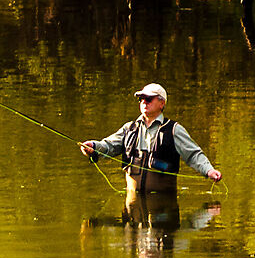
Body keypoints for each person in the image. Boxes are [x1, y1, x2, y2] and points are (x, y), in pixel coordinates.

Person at [81, 83, 219, 211]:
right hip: (132, 206)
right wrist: (93, 146)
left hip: (165, 205)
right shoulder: (129, 128)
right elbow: (109, 146)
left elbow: (193, 154)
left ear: (162, 103)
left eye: (148, 99)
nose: (144, 102)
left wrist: (209, 171)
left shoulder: (174, 130)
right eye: (141, 99)